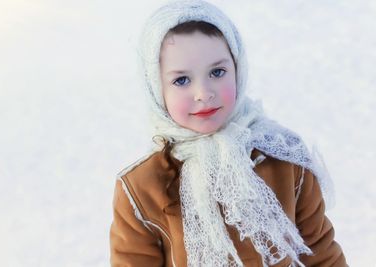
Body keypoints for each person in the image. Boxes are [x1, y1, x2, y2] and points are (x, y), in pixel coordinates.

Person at [109, 0, 348, 266]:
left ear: (238, 68)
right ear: (155, 86)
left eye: (217, 72)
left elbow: (320, 253)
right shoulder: (143, 187)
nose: (203, 93)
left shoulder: (284, 158)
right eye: (182, 80)